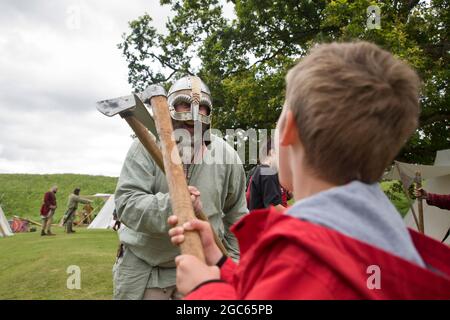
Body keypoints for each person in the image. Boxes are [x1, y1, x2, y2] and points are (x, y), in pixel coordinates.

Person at [168, 41, 450, 299]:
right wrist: (220, 262)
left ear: (289, 130)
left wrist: (204, 291)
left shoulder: (304, 256)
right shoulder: (384, 241)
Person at [113, 75, 248, 300]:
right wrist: (175, 203)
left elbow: (237, 217)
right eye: (185, 105)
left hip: (202, 271)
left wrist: (231, 263)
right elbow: (127, 203)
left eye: (202, 108)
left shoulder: (228, 157)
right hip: (147, 270)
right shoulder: (144, 145)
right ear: (171, 109)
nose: (194, 115)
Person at [246, 138, 291, 210]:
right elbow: (274, 206)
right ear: (272, 152)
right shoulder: (268, 171)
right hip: (264, 220)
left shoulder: (264, 170)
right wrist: (296, 215)